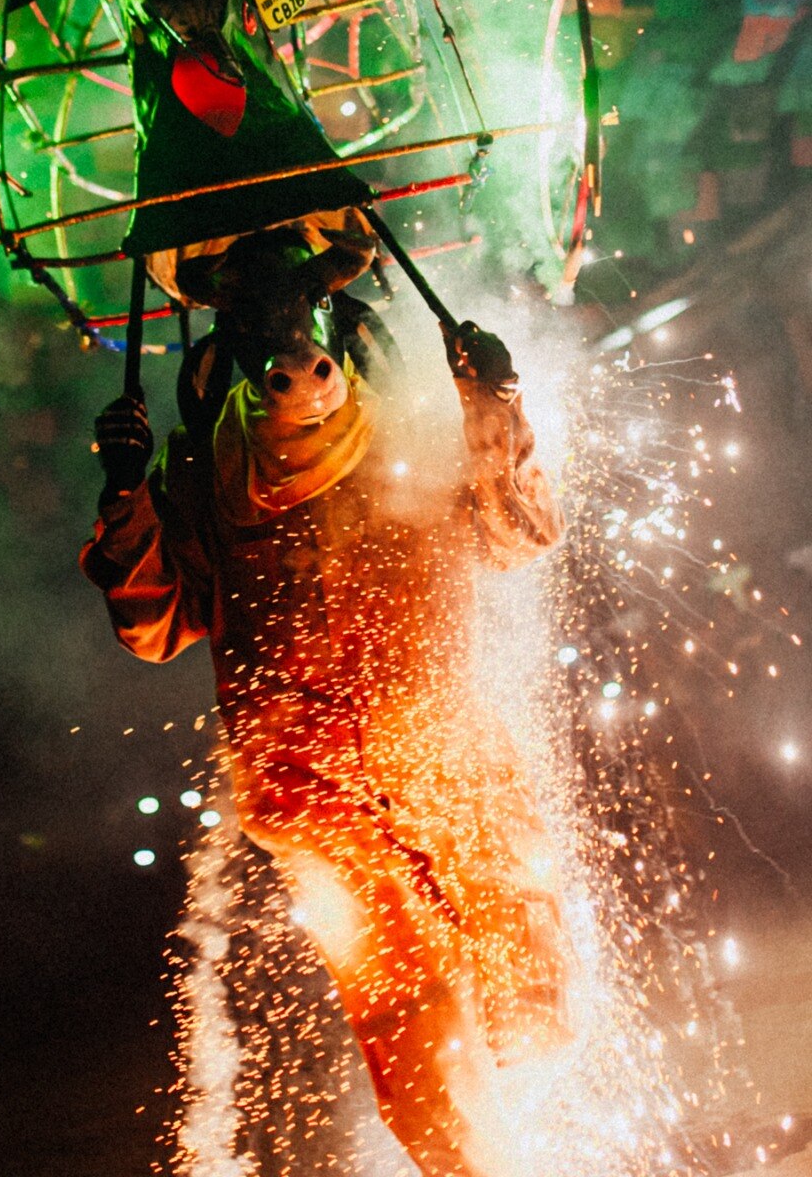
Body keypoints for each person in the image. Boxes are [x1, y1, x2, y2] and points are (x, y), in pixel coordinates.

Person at [81, 230, 571, 1177]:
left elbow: (521, 531)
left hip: (440, 749)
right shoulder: (204, 474)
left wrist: (495, 407)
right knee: (404, 1015)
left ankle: (541, 1113)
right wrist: (124, 496)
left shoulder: (418, 432)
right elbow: (155, 625)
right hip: (314, 794)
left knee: (523, 963)